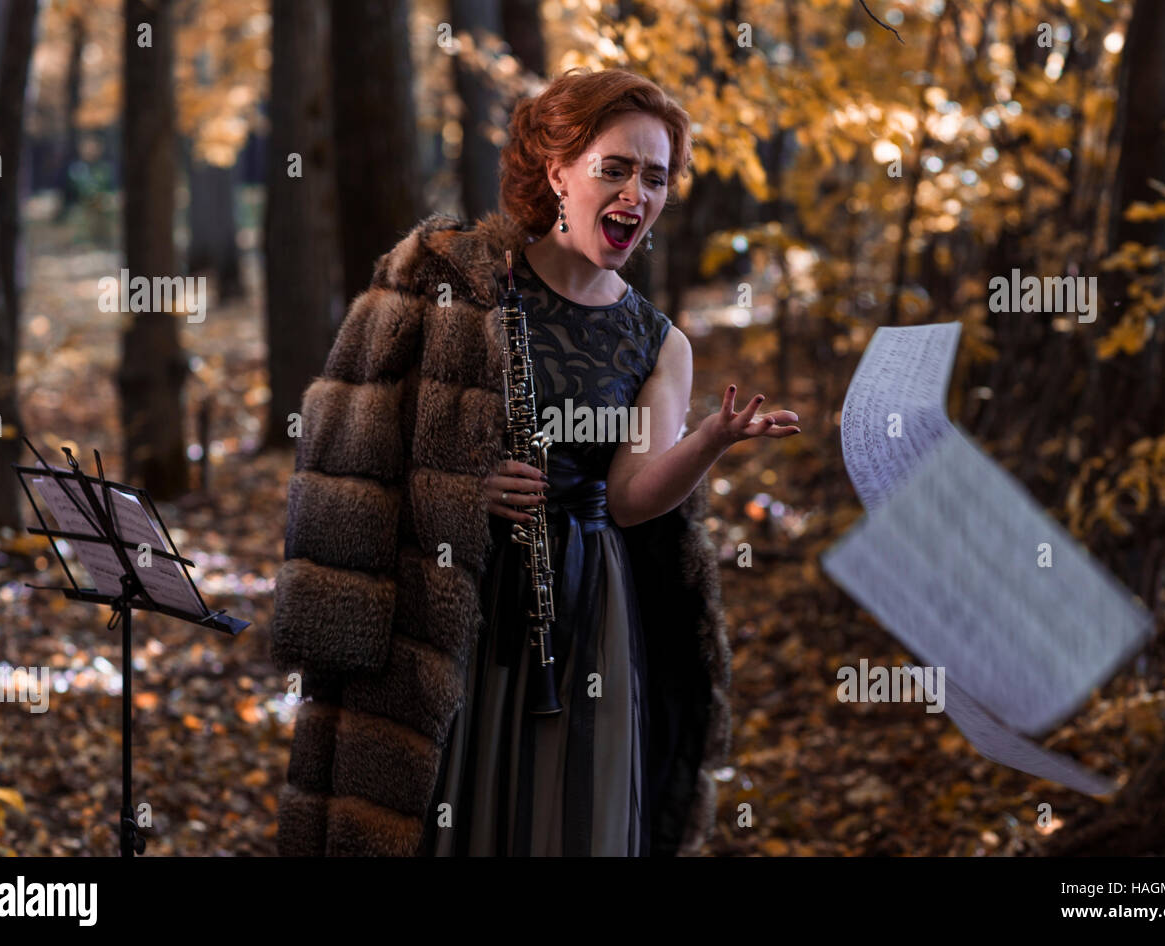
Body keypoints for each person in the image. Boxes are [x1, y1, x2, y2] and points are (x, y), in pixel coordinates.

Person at [271, 67, 798, 858]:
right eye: (613, 168)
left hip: (590, 605)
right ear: (558, 173)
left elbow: (628, 499)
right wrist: (460, 492)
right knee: (458, 808)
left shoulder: (660, 342)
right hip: (462, 597)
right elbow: (350, 445)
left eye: (654, 177)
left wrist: (710, 442)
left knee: (571, 815)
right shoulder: (452, 283)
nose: (635, 192)